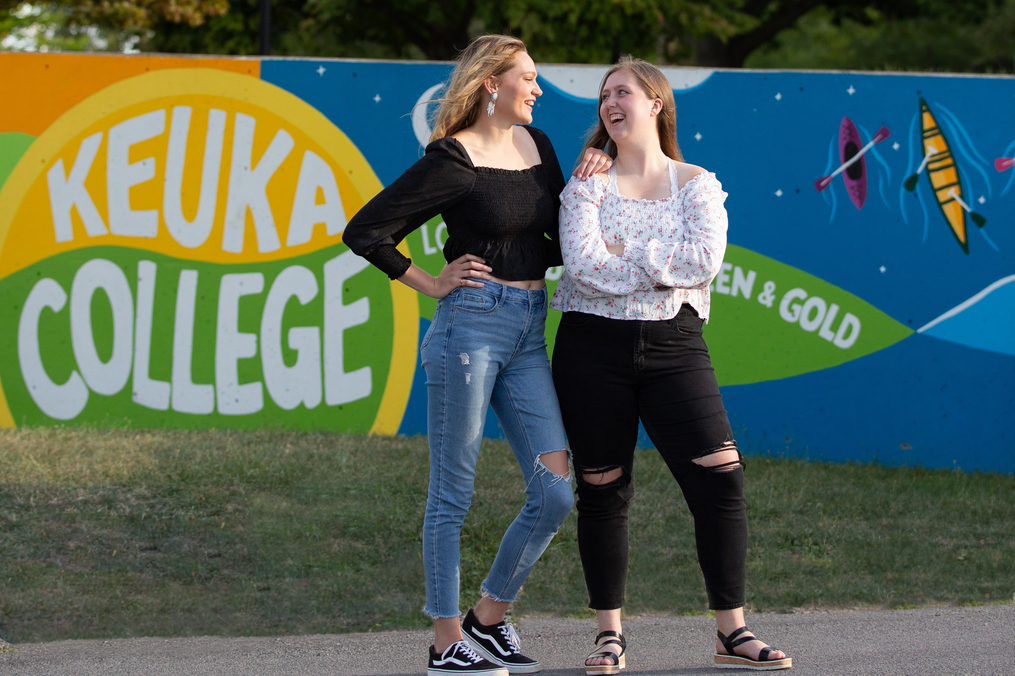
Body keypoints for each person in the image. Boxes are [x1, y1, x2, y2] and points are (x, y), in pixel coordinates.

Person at [344, 35, 610, 676]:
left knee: (554, 494)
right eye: (529, 78)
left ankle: (486, 620)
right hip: (468, 331)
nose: (539, 89)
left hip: (527, 328)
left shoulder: (539, 145)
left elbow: (547, 238)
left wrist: (584, 185)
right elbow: (365, 231)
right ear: (493, 83)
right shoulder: (452, 160)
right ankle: (443, 643)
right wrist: (431, 283)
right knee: (452, 496)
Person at [550, 56, 792, 673]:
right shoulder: (585, 183)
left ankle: (731, 632)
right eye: (603, 95)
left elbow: (703, 262)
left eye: (622, 91)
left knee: (721, 475)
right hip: (591, 348)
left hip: (675, 346)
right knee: (602, 486)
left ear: (656, 102)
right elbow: (581, 265)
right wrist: (659, 264)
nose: (609, 103)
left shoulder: (698, 184)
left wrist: (627, 251)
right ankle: (609, 635)